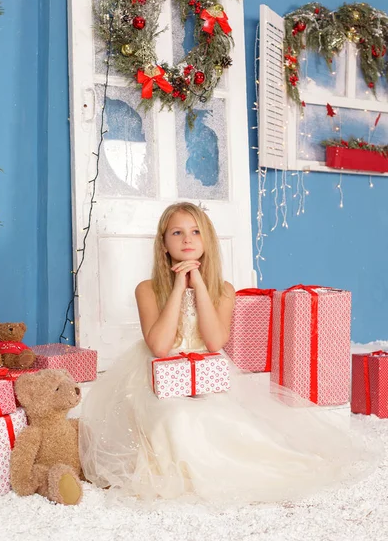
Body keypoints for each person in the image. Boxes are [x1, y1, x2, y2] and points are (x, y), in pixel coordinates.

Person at [79, 202, 379, 505]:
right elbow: (159, 345)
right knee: (177, 417)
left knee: (224, 420)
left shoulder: (222, 290)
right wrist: (177, 290)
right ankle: (192, 475)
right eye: (177, 232)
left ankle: (231, 471)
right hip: (161, 375)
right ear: (164, 245)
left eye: (196, 232)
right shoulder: (147, 288)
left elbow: (214, 342)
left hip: (207, 372)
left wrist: (197, 283)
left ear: (207, 240)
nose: (187, 239)